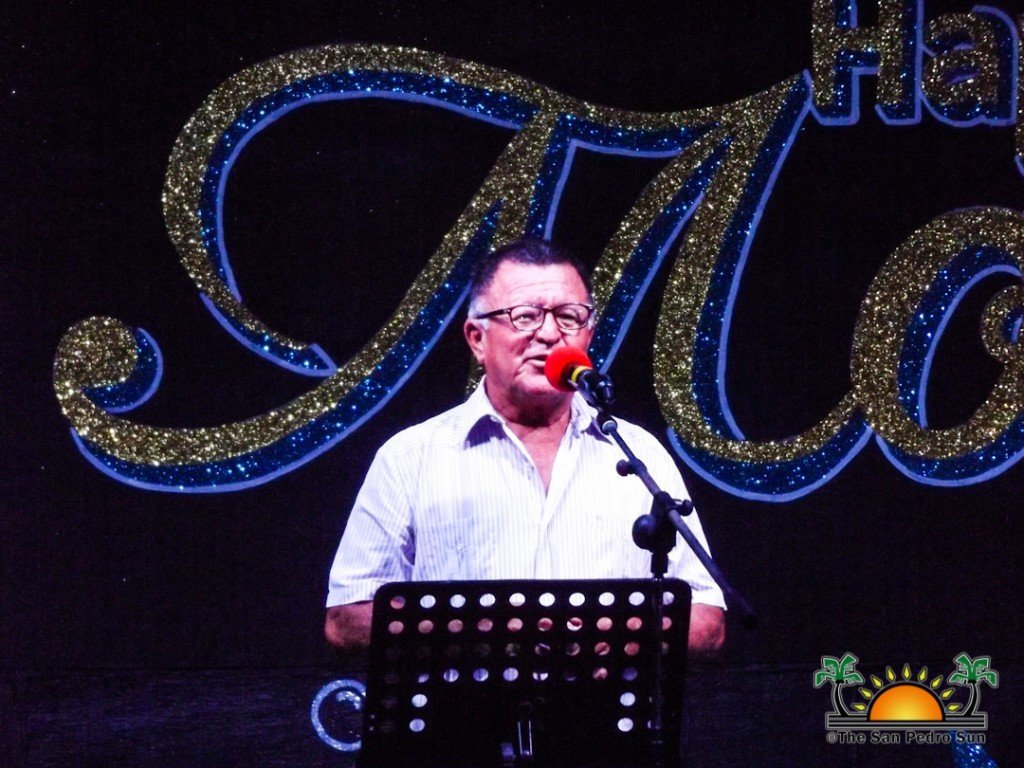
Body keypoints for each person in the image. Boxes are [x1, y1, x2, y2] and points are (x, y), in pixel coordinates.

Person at [325, 238, 726, 657]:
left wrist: (618, 634)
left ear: (588, 334)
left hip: (603, 698)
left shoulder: (637, 454)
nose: (550, 334)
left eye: (569, 317)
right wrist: (486, 627)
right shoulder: (411, 458)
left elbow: (707, 619)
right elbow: (347, 618)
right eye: (525, 316)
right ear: (477, 339)